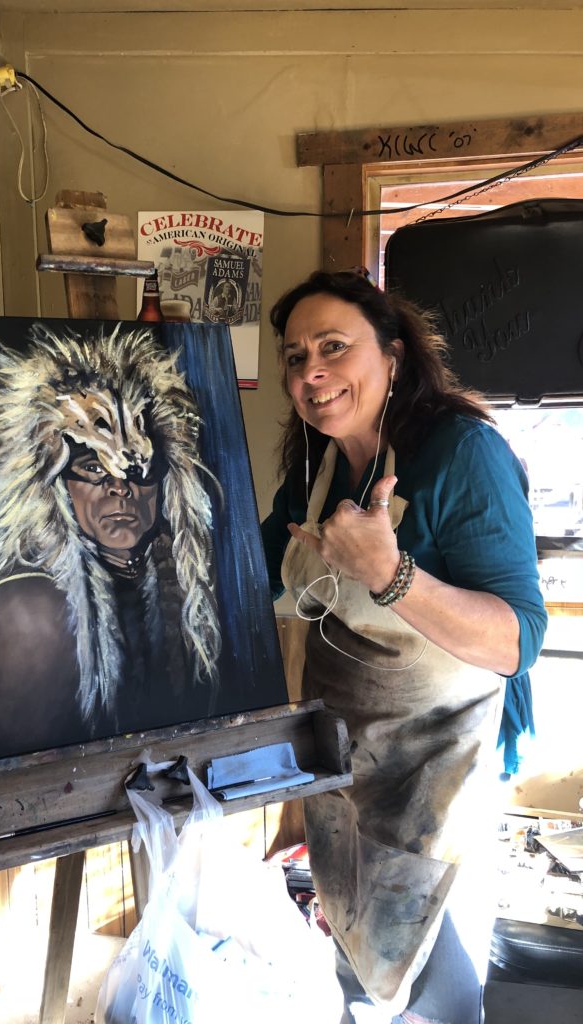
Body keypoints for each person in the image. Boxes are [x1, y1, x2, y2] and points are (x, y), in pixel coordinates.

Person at [261, 270, 547, 1023]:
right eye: (295, 357)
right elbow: (250, 575)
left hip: (437, 779)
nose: (310, 371)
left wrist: (391, 573)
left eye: (333, 347)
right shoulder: (315, 467)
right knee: (361, 975)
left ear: (391, 355)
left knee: (433, 994)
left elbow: (517, 641)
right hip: (345, 769)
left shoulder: (463, 455)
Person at [0, 322, 221, 760]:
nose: (120, 489)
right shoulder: (25, 608)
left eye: (138, 473)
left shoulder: (186, 585)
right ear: (57, 484)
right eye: (95, 470)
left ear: (165, 486)